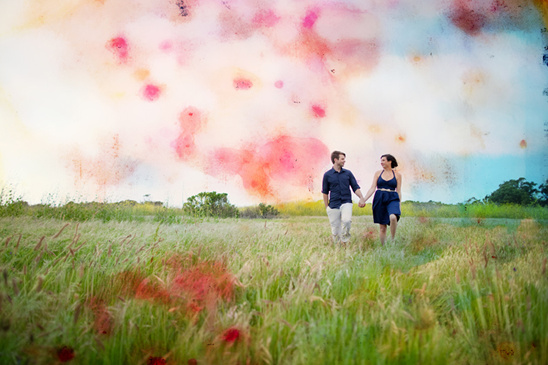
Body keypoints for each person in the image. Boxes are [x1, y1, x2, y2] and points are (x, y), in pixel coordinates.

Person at [322, 151, 366, 245]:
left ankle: (345, 240)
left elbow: (355, 187)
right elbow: (325, 192)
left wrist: (361, 197)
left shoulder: (348, 173)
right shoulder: (327, 175)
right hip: (333, 204)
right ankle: (337, 247)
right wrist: (327, 207)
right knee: (335, 228)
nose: (344, 161)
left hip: (346, 202)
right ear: (335, 160)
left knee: (346, 221)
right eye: (342, 159)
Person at [360, 154, 402, 245]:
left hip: (392, 197)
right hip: (380, 197)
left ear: (389, 161)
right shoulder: (378, 173)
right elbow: (372, 188)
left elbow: (398, 191)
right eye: (381, 160)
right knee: (382, 227)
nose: (381, 162)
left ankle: (392, 239)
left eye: (383, 160)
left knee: (393, 217)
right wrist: (364, 199)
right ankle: (383, 246)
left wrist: (399, 205)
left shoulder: (398, 175)